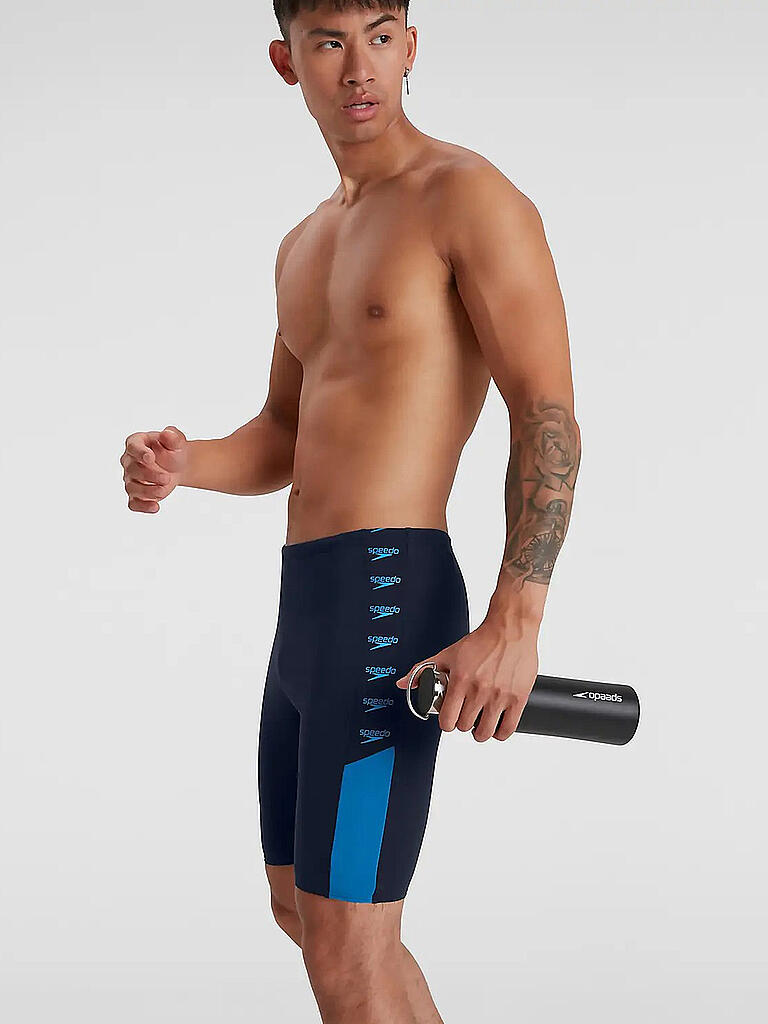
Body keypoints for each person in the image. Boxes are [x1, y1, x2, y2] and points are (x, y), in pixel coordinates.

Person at [119, 2, 582, 1021]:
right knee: (304, 908)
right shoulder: (305, 243)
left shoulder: (469, 197)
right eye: (329, 41)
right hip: (308, 604)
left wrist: (516, 619)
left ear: (411, 45)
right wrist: (188, 463)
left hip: (388, 591)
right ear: (287, 61)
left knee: (346, 948)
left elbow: (546, 413)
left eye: (379, 33)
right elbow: (286, 432)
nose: (359, 66)